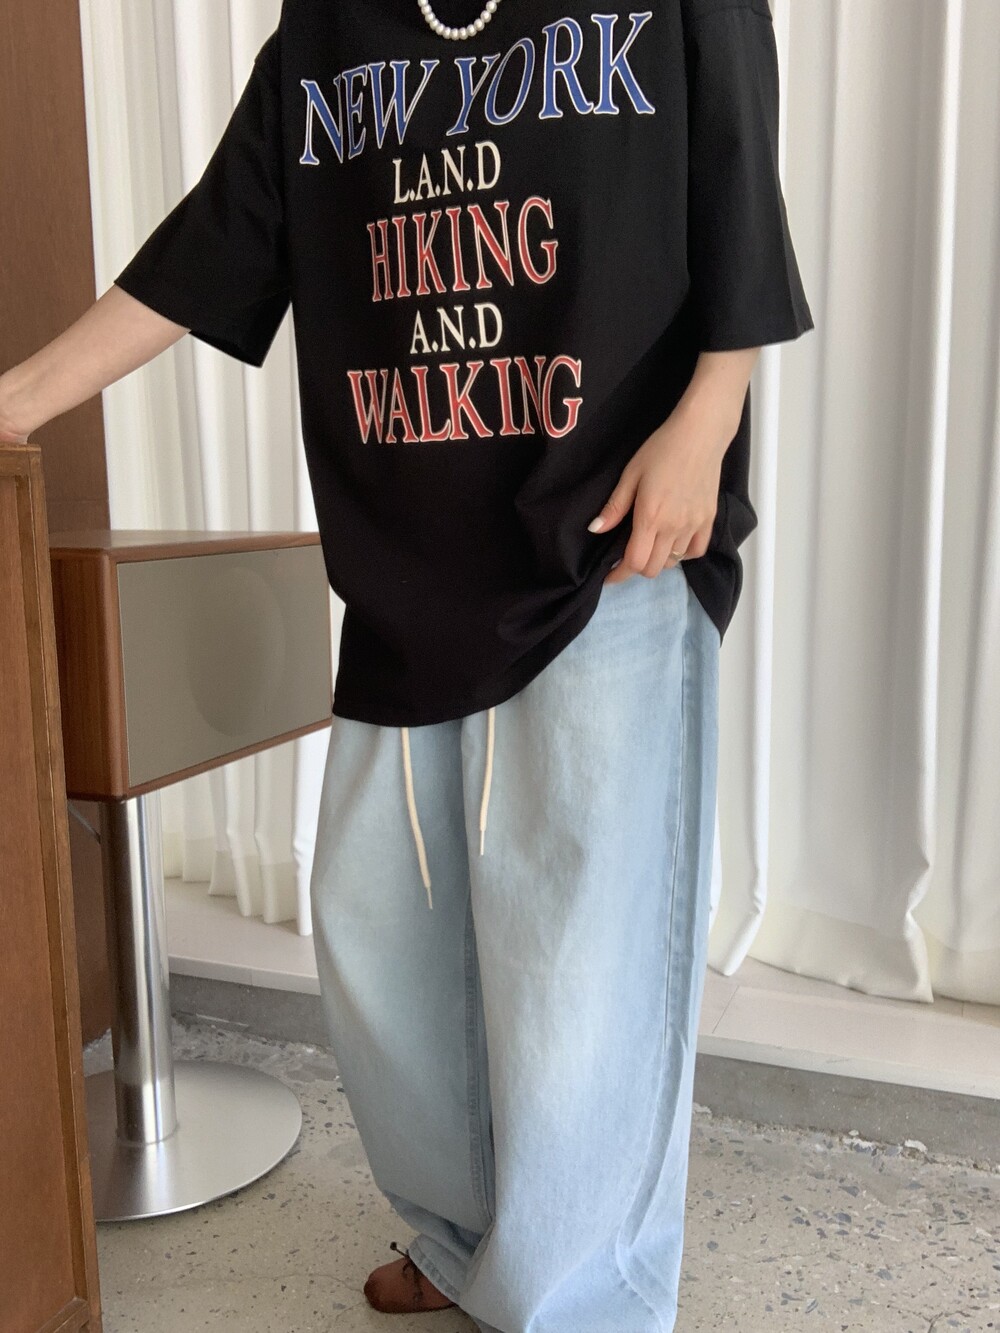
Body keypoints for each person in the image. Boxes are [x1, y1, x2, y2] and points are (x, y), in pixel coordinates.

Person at [0, 1, 813, 1328]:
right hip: (405, 552)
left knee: (582, 966)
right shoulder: (330, 24)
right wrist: (17, 400)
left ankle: (581, 1300)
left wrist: (710, 420)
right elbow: (216, 240)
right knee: (387, 932)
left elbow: (737, 181)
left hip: (609, 531)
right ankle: (464, 1234)